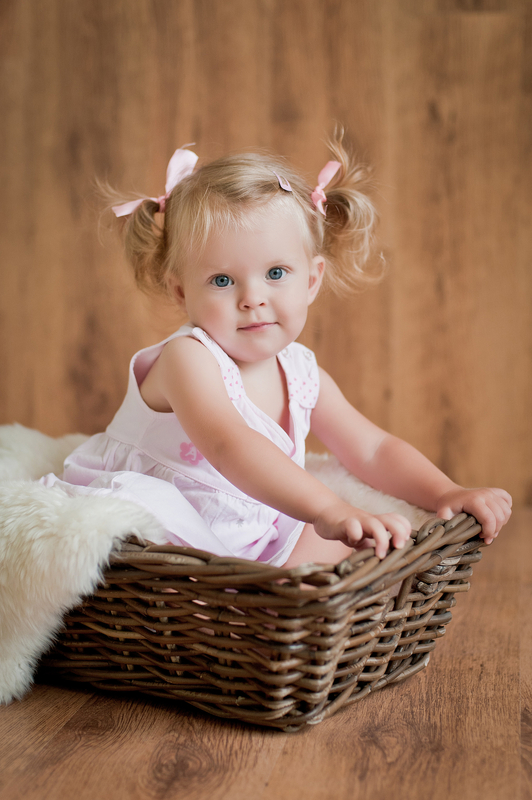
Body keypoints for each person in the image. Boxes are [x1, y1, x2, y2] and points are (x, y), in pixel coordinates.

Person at [49, 137, 512, 568]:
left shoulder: (302, 374)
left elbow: (372, 449)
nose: (253, 298)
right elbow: (229, 445)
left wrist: (445, 492)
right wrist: (328, 508)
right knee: (175, 551)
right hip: (164, 518)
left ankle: (289, 608)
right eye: (222, 280)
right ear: (181, 292)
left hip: (247, 527)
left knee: (368, 544)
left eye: (275, 273)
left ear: (311, 280)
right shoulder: (187, 359)